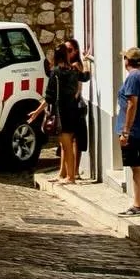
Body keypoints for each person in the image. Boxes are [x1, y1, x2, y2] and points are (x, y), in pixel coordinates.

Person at [116, 45, 140, 217]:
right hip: (139, 128)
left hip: (135, 130)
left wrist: (125, 131)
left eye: (124, 58)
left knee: (136, 166)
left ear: (127, 61)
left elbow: (132, 104)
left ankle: (138, 205)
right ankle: (138, 204)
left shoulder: (133, 77)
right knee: (136, 165)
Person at [51, 39, 90, 184]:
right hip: (68, 106)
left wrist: (85, 62)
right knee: (65, 143)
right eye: (65, 50)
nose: (67, 52)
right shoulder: (63, 68)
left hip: (74, 107)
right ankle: (63, 173)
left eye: (69, 50)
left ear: (75, 51)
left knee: (73, 142)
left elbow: (84, 78)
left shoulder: (75, 66)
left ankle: (73, 173)